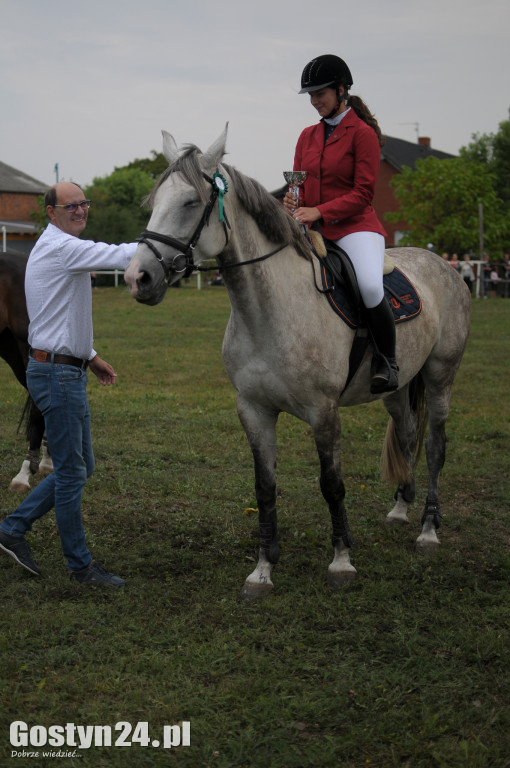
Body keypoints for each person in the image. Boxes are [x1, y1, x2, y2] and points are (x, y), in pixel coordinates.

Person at [0, 182, 139, 588]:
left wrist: (90, 355)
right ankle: (80, 567)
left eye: (84, 203)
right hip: (57, 376)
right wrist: (165, 239)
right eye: (70, 205)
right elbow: (119, 254)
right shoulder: (62, 246)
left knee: (80, 467)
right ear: (51, 212)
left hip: (65, 370)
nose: (80, 210)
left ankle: (13, 528)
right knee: (72, 472)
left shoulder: (57, 246)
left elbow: (52, 314)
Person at [283, 54, 397, 394]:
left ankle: (387, 360)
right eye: (312, 96)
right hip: (312, 227)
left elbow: (363, 193)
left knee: (371, 287)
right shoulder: (306, 136)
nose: (316, 101)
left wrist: (319, 211)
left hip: (354, 227)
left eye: (321, 94)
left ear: (341, 90)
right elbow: (298, 185)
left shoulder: (362, 134)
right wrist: (293, 201)